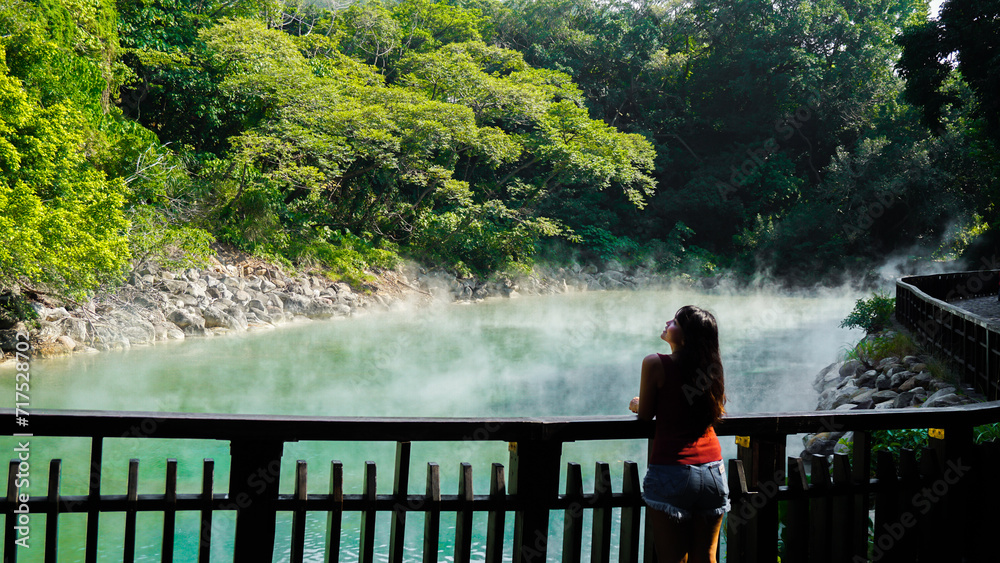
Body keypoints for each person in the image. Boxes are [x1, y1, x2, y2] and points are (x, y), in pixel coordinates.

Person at [628, 305, 729, 563]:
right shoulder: (711, 368)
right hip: (712, 471)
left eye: (674, 321)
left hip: (672, 470)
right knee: (706, 557)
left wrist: (638, 404)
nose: (667, 322)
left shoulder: (655, 363)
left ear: (685, 337)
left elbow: (644, 415)